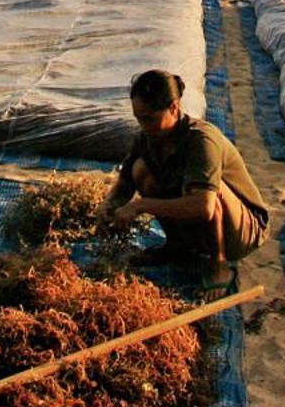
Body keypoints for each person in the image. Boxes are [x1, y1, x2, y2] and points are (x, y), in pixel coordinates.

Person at [100, 67, 269, 291]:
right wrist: (109, 206)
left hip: (241, 230)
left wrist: (141, 205)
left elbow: (204, 208)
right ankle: (177, 247)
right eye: (138, 118)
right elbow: (124, 184)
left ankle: (218, 263)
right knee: (141, 169)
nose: (143, 126)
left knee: (209, 190)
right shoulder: (147, 137)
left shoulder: (201, 140)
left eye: (150, 119)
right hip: (199, 221)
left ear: (174, 107)